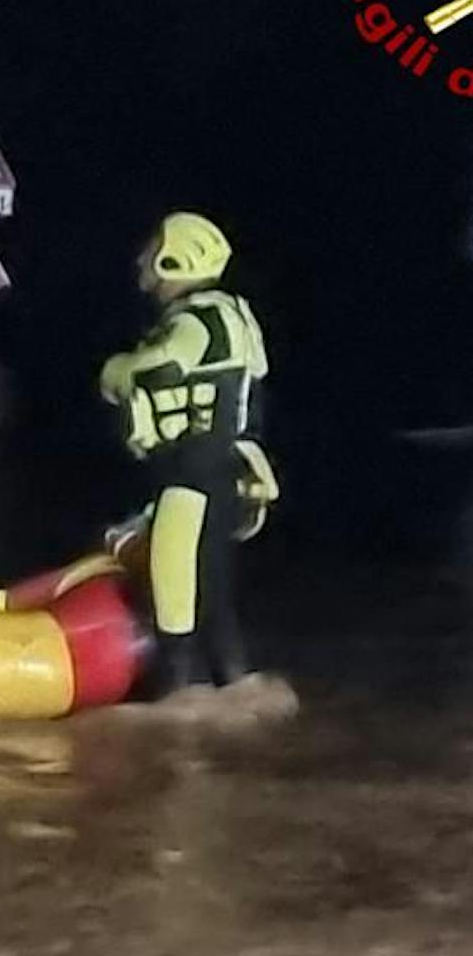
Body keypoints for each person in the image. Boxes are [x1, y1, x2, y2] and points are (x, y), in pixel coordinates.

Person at [97, 210, 278, 702]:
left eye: (152, 250)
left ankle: (176, 704)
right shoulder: (233, 315)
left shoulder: (199, 321)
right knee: (215, 597)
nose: (142, 261)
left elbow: (156, 371)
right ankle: (238, 691)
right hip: (221, 476)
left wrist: (116, 370)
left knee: (174, 594)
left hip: (192, 477)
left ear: (176, 258)